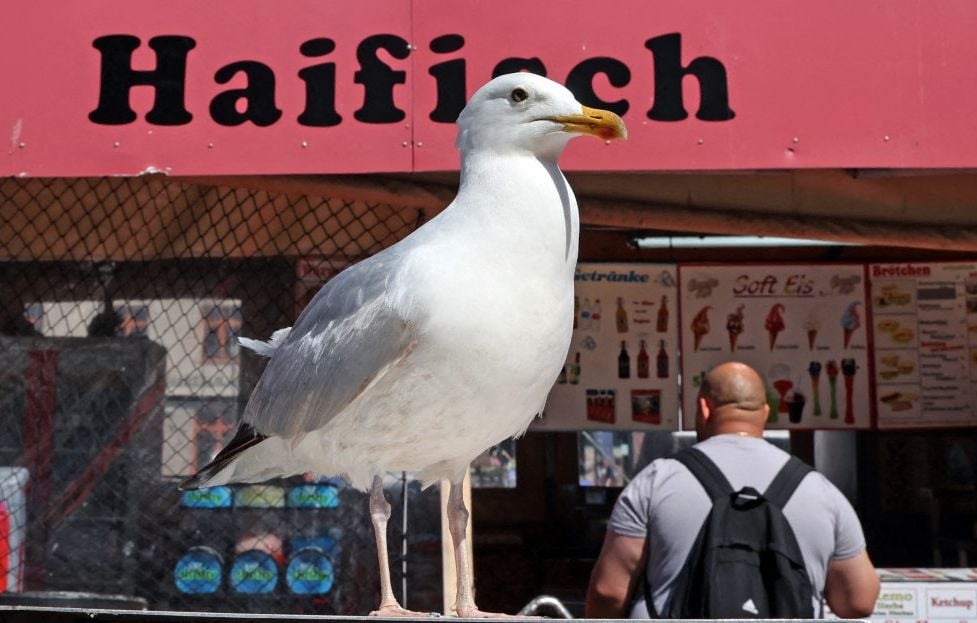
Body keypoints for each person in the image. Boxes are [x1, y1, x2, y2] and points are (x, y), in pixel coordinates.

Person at [585, 361, 880, 618]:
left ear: (704, 409)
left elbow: (609, 592)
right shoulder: (821, 491)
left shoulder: (655, 481)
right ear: (765, 413)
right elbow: (858, 601)